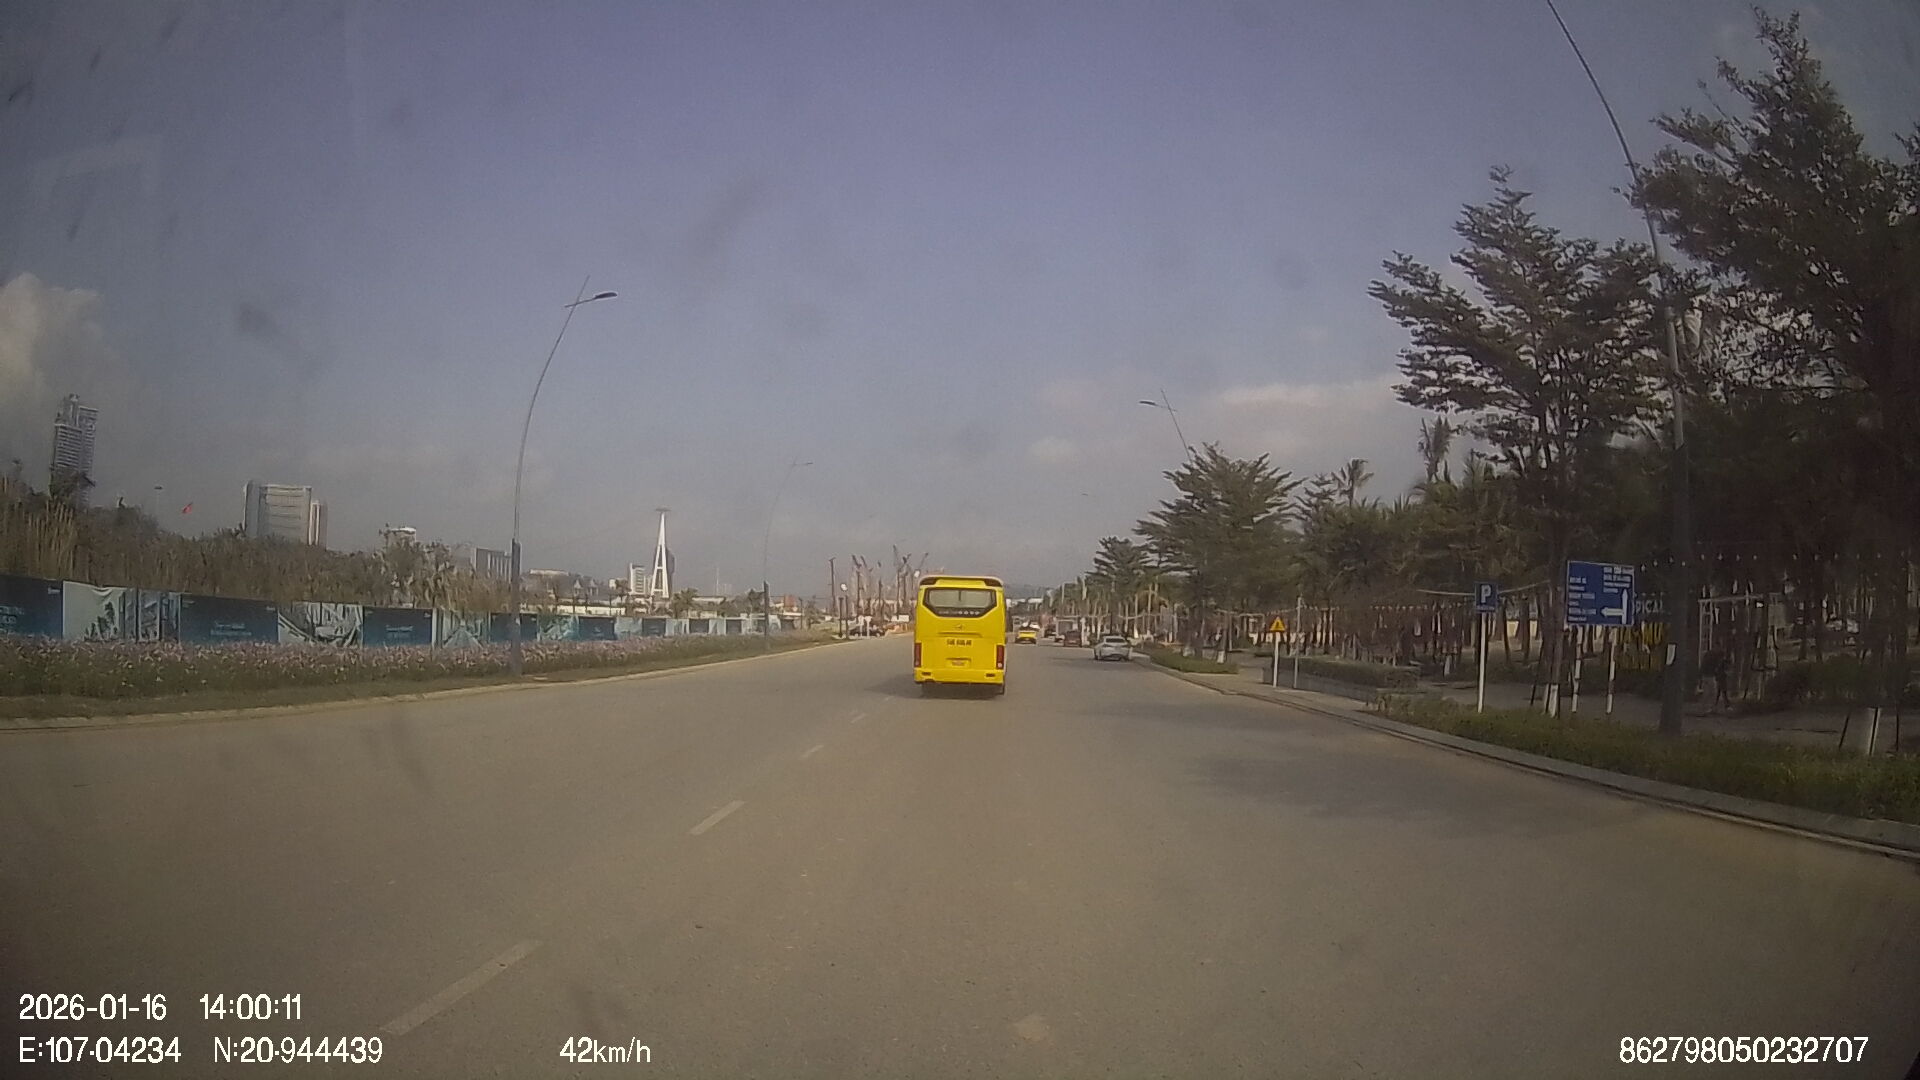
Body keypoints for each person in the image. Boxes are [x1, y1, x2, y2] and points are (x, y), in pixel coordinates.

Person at [1700, 648, 1731, 713]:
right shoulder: (1712, 661)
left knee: (1714, 693)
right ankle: (1706, 708)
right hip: (1709, 676)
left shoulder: (1716, 661)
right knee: (1709, 693)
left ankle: (1711, 707)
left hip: (1712, 677)